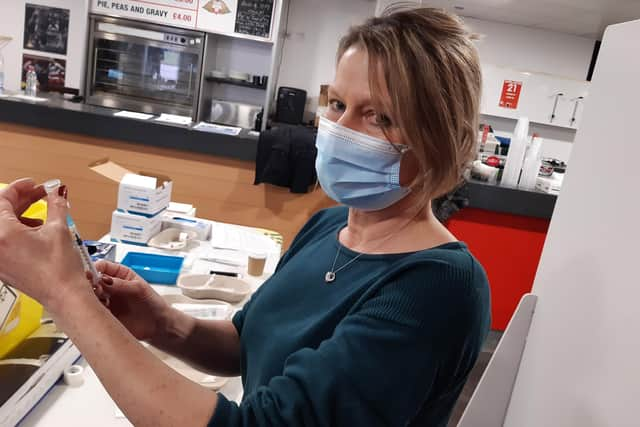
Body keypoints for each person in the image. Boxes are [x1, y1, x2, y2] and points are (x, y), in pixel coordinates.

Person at [0, 6, 490, 427]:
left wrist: (64, 294)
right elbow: (246, 343)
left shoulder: (437, 286)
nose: (338, 130)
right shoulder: (327, 227)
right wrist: (164, 323)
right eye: (338, 104)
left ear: (439, 139)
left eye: (378, 116)